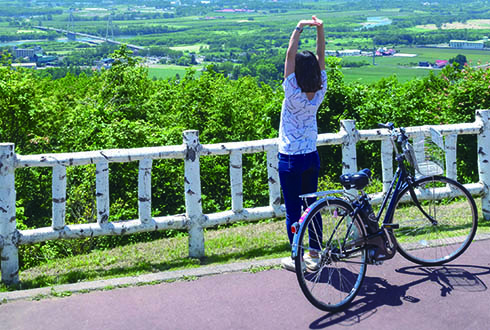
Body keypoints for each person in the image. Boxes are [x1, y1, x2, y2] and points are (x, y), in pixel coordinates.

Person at [278, 16, 327, 272]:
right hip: (311, 156)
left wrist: (299, 26)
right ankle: (314, 254)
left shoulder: (292, 90)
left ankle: (297, 257)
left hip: (289, 158)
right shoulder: (320, 89)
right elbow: (321, 54)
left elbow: (289, 55)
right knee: (313, 207)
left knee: (293, 212)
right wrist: (320, 30)